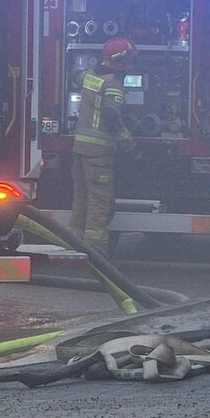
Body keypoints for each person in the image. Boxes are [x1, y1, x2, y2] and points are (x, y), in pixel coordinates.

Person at [70, 37, 136, 255]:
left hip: (79, 150)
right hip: (99, 154)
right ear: (120, 61)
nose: (131, 66)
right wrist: (127, 141)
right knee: (99, 203)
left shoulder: (89, 75)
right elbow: (110, 114)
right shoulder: (114, 83)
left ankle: (73, 247)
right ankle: (95, 252)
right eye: (130, 61)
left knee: (81, 200)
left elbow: (75, 76)